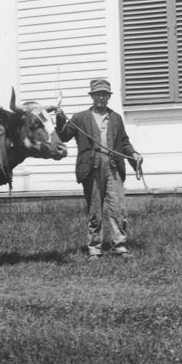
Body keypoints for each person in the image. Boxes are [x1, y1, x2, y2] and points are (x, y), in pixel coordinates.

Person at [56, 78, 143, 259]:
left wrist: (134, 154)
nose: (101, 98)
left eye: (104, 95)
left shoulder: (116, 118)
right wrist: (59, 118)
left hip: (113, 167)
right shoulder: (80, 118)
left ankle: (119, 246)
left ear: (108, 97)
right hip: (91, 169)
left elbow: (124, 142)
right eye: (98, 94)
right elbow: (64, 136)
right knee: (94, 210)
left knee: (118, 208)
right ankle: (94, 248)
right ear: (92, 96)